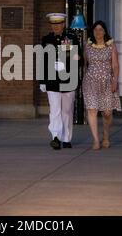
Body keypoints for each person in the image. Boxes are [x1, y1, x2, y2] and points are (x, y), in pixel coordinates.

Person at [39, 13, 80, 150]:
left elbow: (77, 58)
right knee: (55, 110)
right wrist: (42, 80)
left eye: (58, 24)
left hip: (68, 78)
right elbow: (42, 61)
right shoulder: (46, 39)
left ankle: (66, 138)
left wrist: (67, 63)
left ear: (63, 24)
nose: (56, 26)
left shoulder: (71, 38)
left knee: (67, 111)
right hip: (51, 79)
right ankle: (55, 137)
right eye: (53, 24)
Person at [82, 20, 121, 150]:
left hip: (107, 82)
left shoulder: (111, 46)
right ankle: (96, 140)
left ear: (105, 31)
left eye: (100, 29)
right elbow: (85, 64)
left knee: (107, 113)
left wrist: (115, 81)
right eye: (95, 30)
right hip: (90, 81)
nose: (98, 32)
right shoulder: (87, 46)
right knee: (92, 109)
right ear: (92, 32)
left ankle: (105, 135)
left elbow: (115, 65)